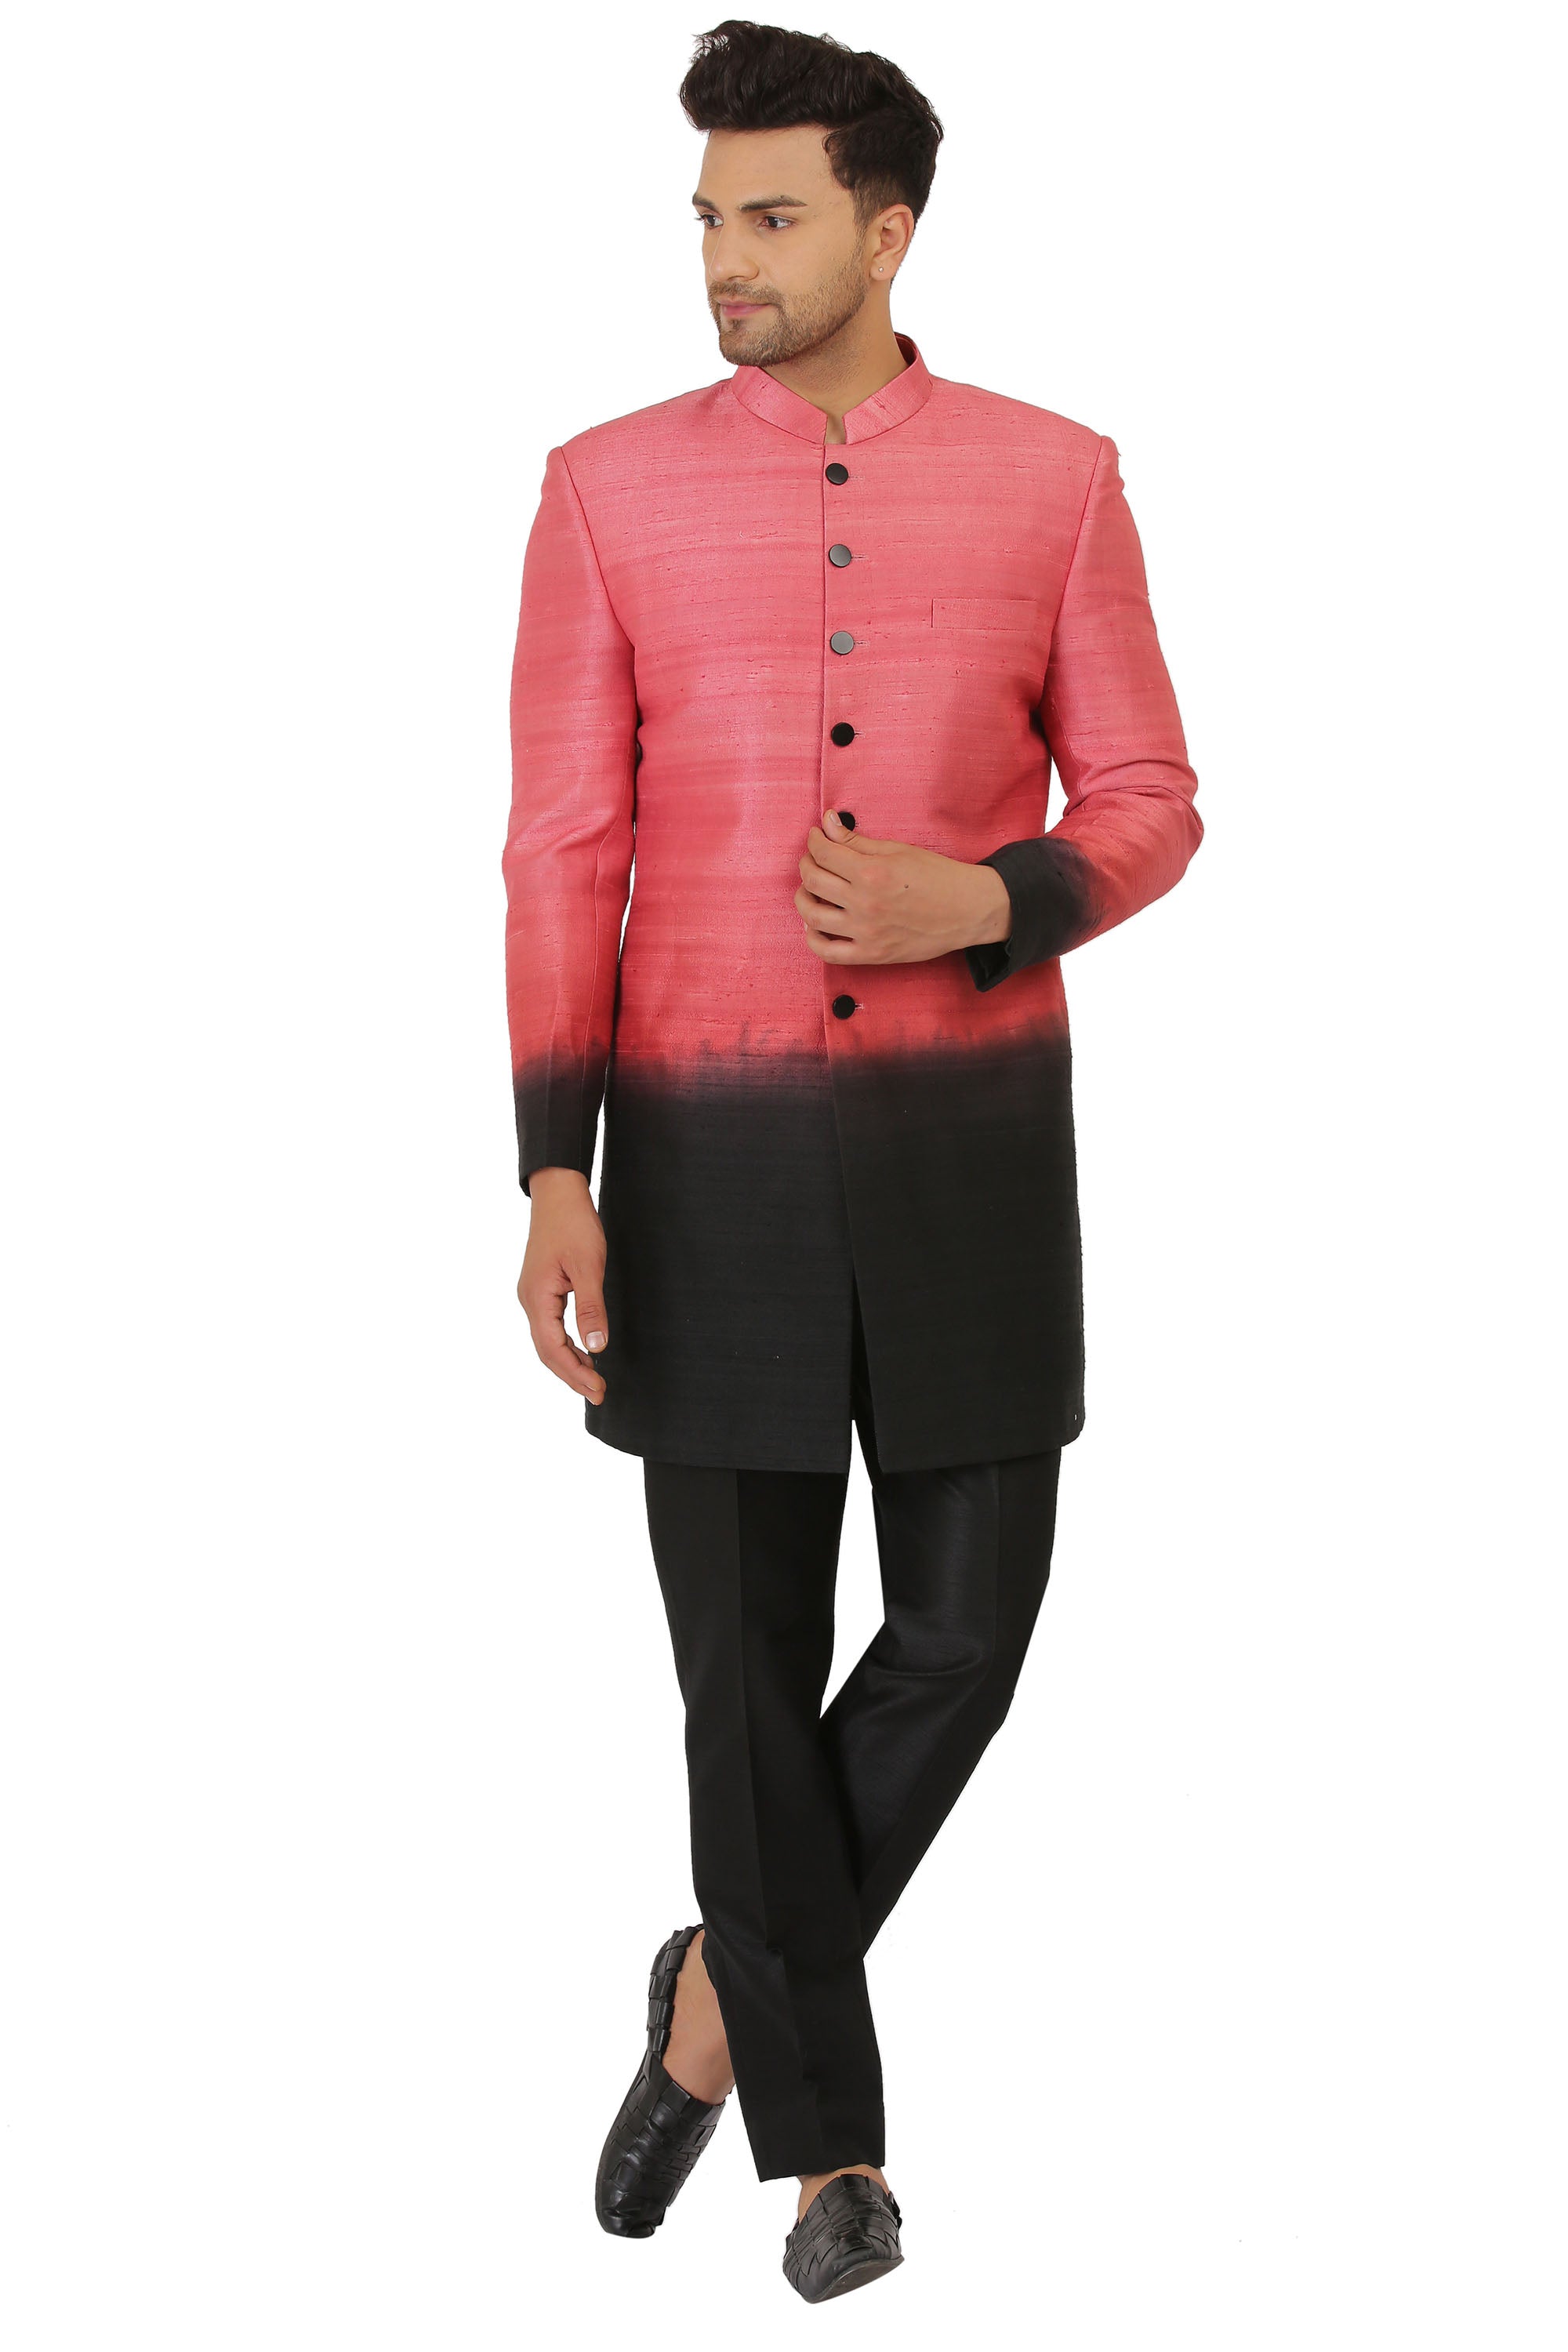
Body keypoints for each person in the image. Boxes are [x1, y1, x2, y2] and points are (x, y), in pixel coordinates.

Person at [503, 19, 1201, 2304]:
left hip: (968, 1156)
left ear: (890, 233)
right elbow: (562, 845)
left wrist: (976, 899)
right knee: (744, 1676)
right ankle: (835, 2164)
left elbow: (1152, 800)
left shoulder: (1059, 479)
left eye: (774, 214)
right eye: (709, 214)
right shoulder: (602, 489)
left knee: (966, 1640)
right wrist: (554, 1165)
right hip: (699, 1164)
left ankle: (718, 1996)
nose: (727, 254)